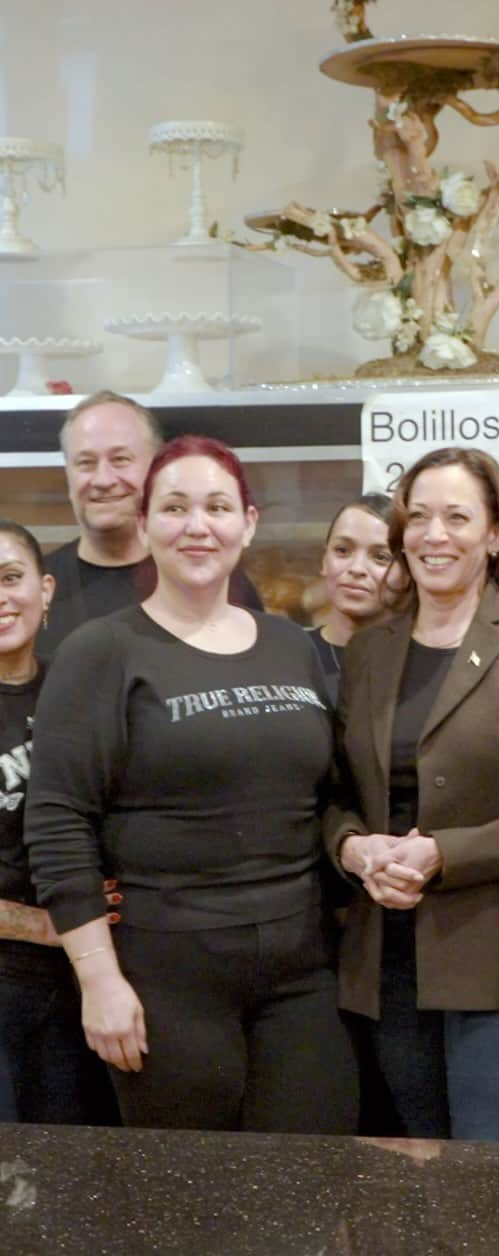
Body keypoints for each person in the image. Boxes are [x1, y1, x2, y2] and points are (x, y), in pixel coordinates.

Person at [25, 434, 358, 1133]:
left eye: (216, 506)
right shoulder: (102, 652)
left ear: (249, 522)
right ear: (145, 526)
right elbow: (58, 823)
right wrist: (100, 981)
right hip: (165, 976)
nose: (197, 526)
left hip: (301, 972)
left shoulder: (292, 645)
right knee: (190, 1207)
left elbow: (329, 796)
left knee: (311, 1188)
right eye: (174, 508)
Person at [324, 446, 499, 1141]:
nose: (433, 534)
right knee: (417, 1166)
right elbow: (333, 797)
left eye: (456, 516)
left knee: (486, 1180)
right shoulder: (369, 650)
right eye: (418, 516)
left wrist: (444, 854)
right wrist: (354, 849)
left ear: (495, 533)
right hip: (388, 960)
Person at [0, 520, 105, 1122]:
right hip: (12, 976)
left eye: (12, 578)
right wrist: (46, 927)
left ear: (45, 590)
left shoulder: (75, 690)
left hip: (79, 982)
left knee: (75, 1175)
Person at [36, 390, 261, 660]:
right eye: (86, 463)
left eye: (120, 459)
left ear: (156, 469)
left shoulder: (215, 578)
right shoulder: (35, 591)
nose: (103, 480)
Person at [308, 492, 394, 705]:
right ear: (324, 561)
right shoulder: (292, 656)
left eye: (381, 557)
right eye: (342, 550)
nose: (356, 569)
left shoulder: (421, 664)